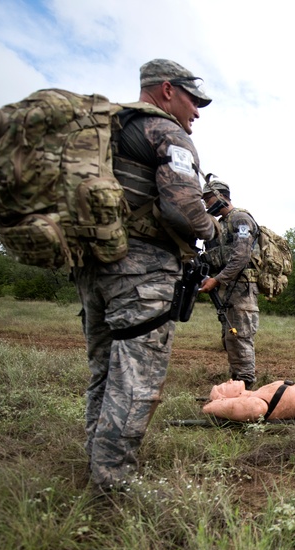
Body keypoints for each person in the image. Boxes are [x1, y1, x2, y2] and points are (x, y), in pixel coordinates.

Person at [73, 59, 216, 492]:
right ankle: (112, 485)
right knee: (135, 381)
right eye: (193, 99)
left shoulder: (106, 130)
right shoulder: (166, 133)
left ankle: (95, 464)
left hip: (92, 269)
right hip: (141, 274)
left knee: (104, 371)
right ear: (167, 90)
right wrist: (209, 230)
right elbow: (183, 208)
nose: (197, 111)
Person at [198, 178, 260, 389]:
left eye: (208, 198)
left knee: (240, 335)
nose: (206, 204)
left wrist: (217, 280)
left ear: (222, 196)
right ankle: (237, 383)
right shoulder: (219, 225)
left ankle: (245, 386)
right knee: (230, 337)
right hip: (227, 289)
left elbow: (241, 257)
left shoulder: (240, 219)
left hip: (241, 289)